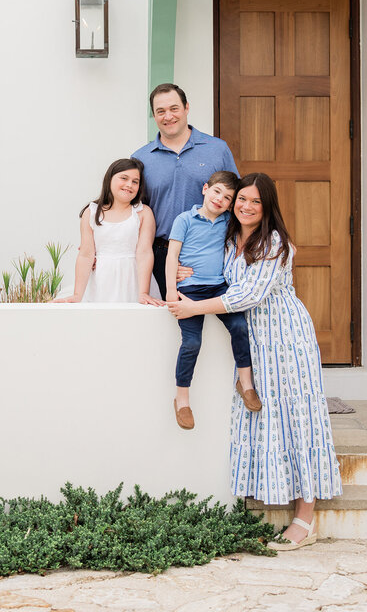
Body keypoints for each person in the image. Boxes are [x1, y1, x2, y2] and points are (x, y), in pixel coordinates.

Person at [166, 173, 342, 551]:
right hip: (252, 341)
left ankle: (305, 517)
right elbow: (210, 270)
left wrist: (192, 307)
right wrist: (185, 271)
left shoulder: (275, 243)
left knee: (298, 417)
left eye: (255, 202)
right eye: (241, 199)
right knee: (267, 418)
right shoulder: (228, 236)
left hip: (285, 336)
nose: (245, 206)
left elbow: (245, 294)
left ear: (267, 208)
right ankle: (269, 498)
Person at [165, 171, 260, 430]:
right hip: (190, 290)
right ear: (205, 189)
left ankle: (246, 383)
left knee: (240, 327)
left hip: (218, 287)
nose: (220, 199)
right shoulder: (185, 219)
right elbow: (172, 255)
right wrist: (171, 290)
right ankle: (182, 399)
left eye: (227, 197)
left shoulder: (229, 221)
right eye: (217, 191)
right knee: (192, 343)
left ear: (231, 204)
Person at [132, 83, 238, 299]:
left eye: (174, 108)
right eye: (160, 111)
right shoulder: (141, 158)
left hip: (212, 251)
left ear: (186, 107)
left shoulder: (217, 149)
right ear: (154, 115)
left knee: (211, 327)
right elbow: (132, 211)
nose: (168, 116)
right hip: (160, 254)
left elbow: (237, 201)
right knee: (165, 323)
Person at [53, 158, 160, 305]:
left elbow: (145, 252)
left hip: (133, 279)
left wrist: (143, 292)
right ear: (109, 179)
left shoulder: (142, 213)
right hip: (101, 280)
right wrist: (77, 295)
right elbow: (85, 254)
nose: (129, 184)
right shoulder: (91, 212)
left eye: (135, 182)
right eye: (124, 178)